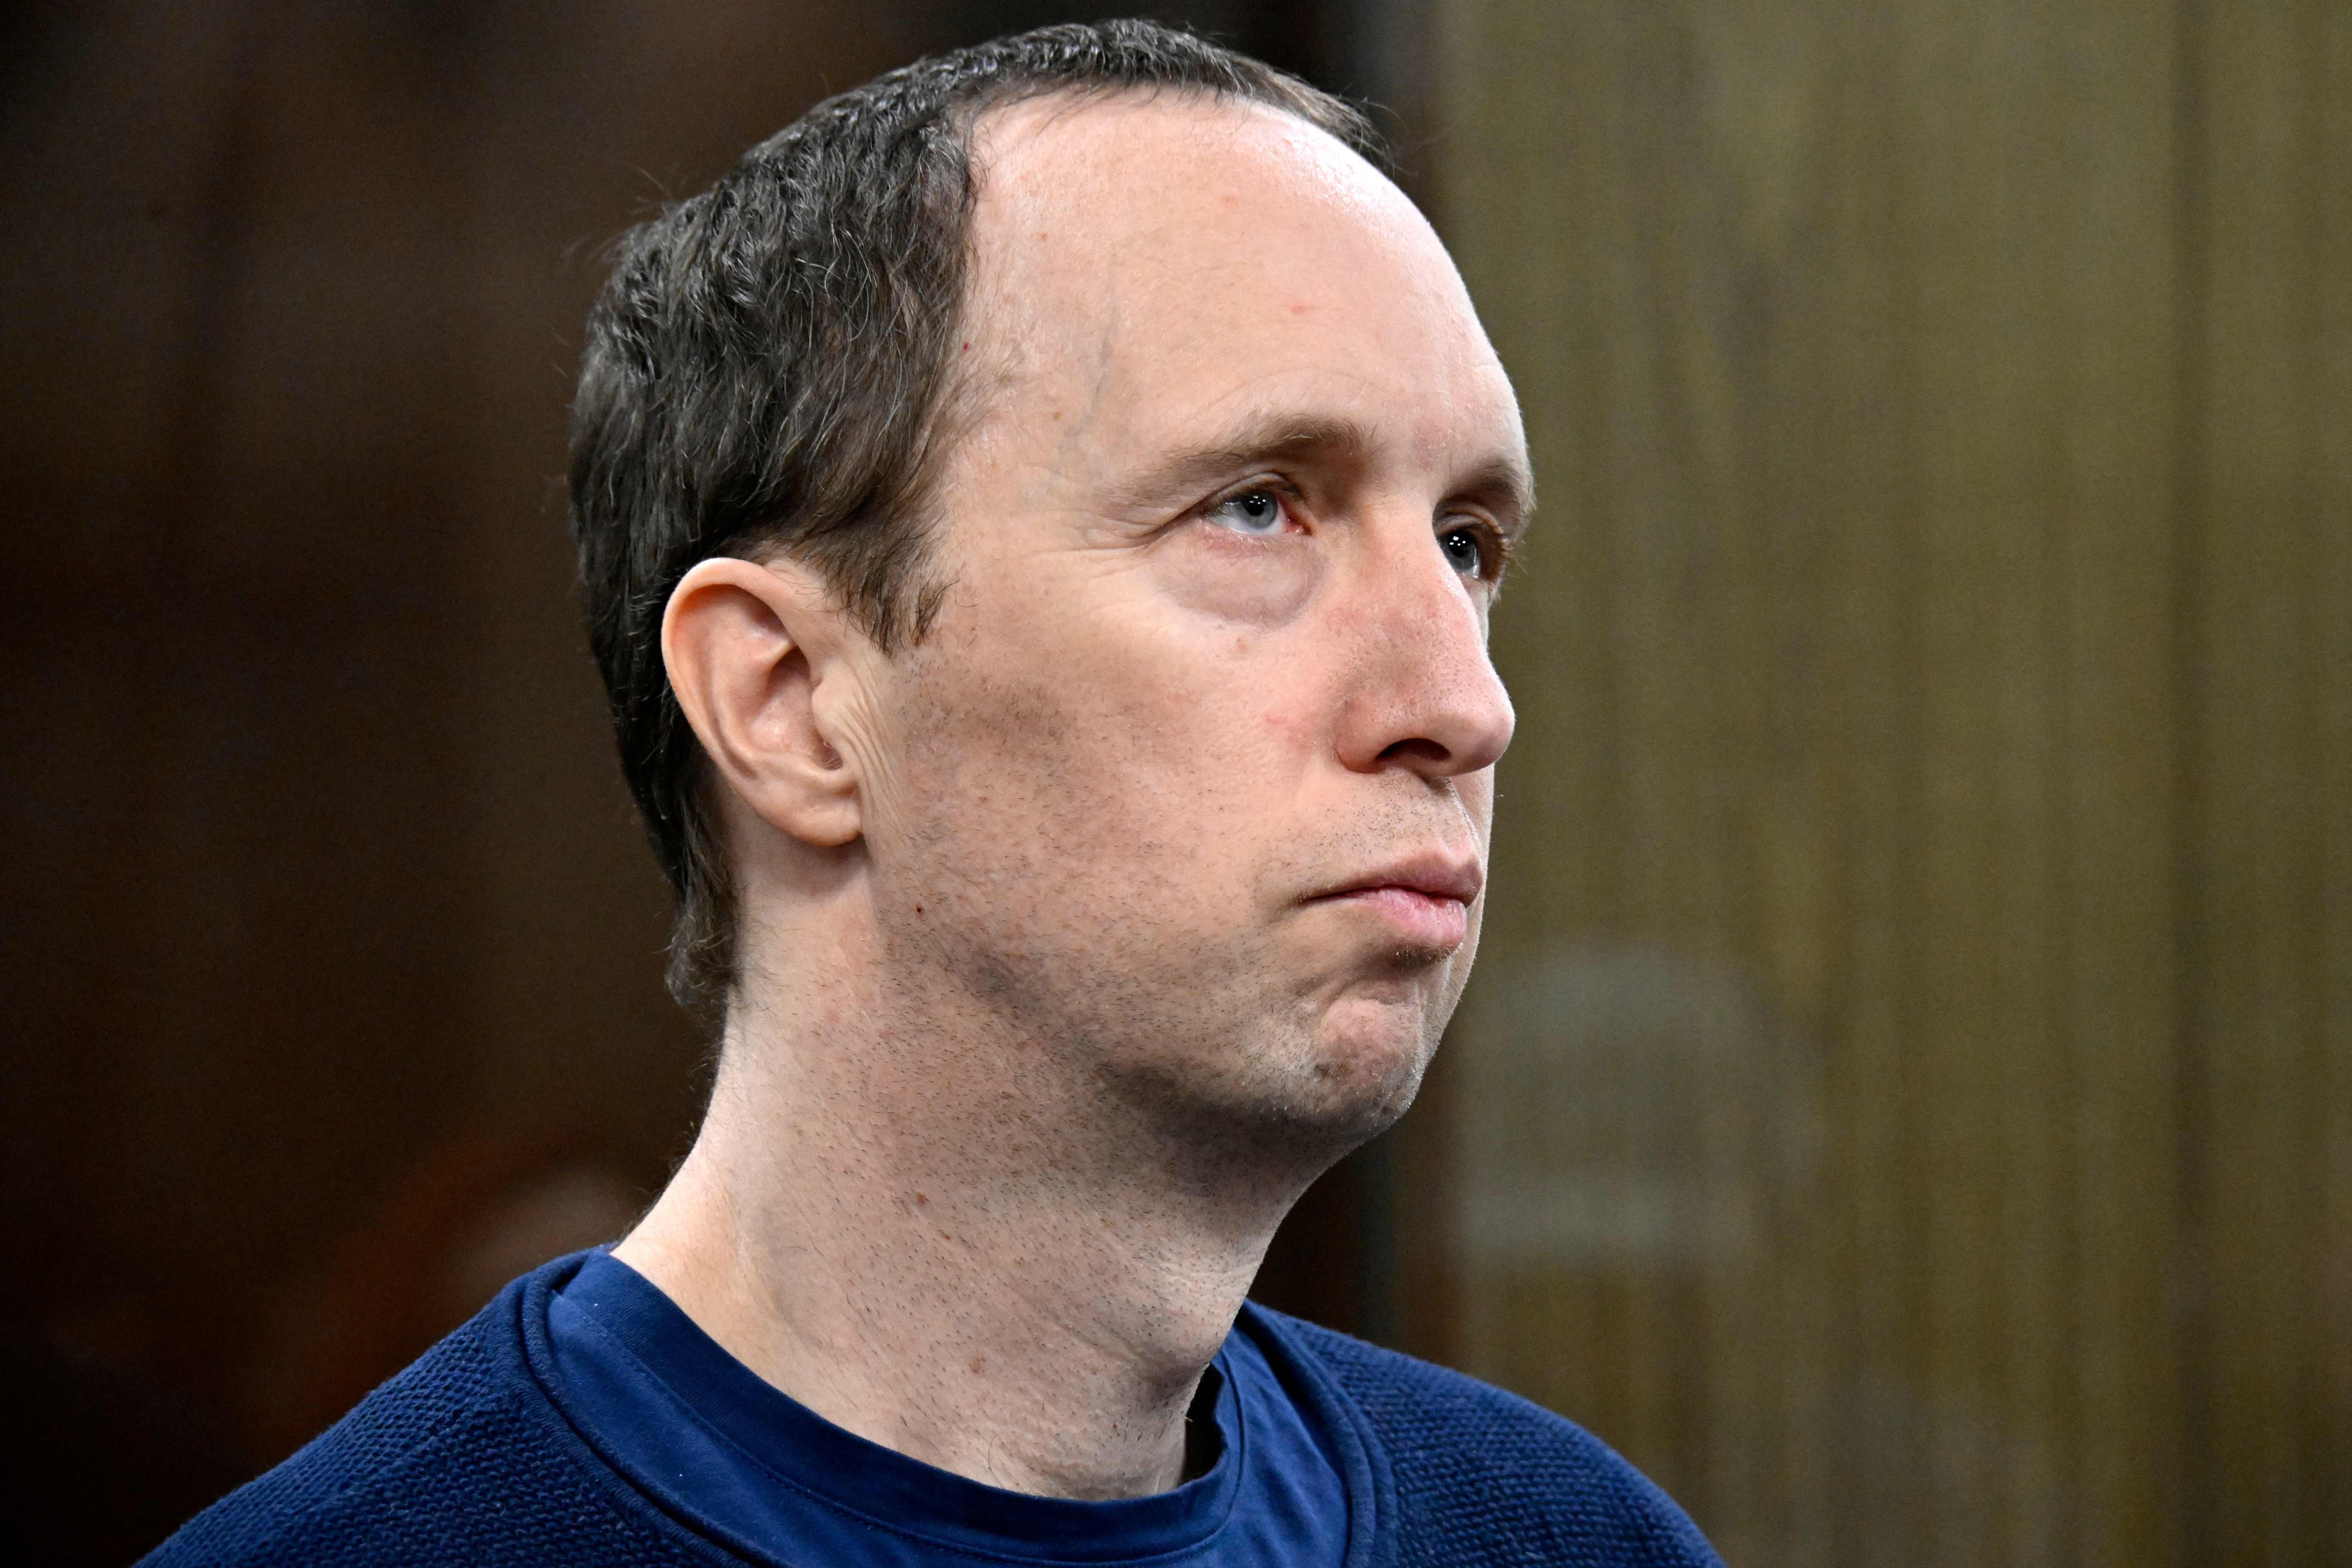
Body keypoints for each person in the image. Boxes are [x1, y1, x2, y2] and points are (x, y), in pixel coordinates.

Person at [148, 21, 1722, 1567]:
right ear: (788, 702)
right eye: (1254, 508)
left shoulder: (1562, 1539)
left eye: (1464, 544)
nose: (1464, 707)